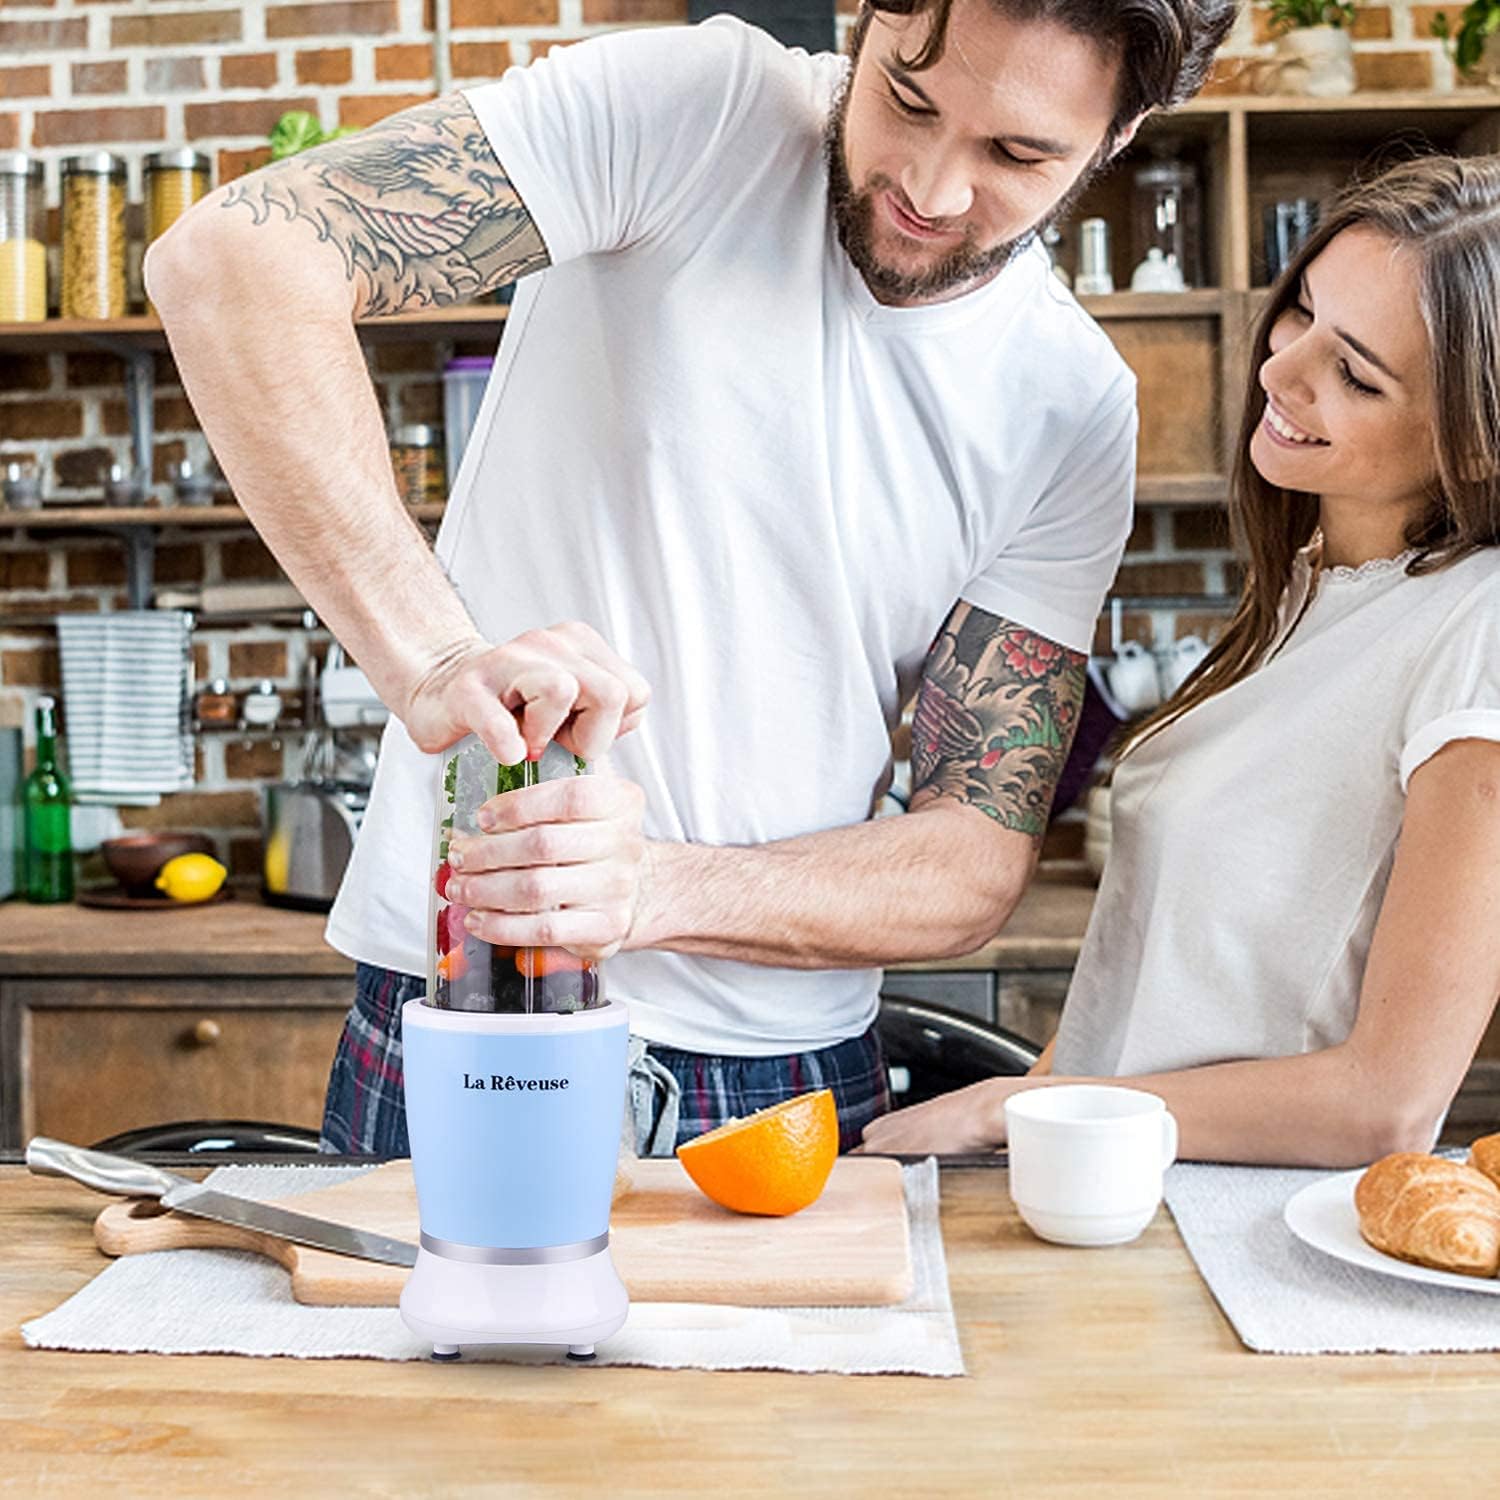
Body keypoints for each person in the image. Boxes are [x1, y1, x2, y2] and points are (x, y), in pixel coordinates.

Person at [144, 0, 1234, 1156]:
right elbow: (232, 262)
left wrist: (649, 890)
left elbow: (972, 860)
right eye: (906, 99)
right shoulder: (698, 112)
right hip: (472, 1018)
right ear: (866, 19)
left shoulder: (1070, 404)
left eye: (1018, 154)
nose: (932, 185)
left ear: (1121, 134)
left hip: (791, 1083)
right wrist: (436, 656)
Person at [859, 154, 1500, 1167]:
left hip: (1242, 1238)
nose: (1283, 369)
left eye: (1356, 374)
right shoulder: (1309, 596)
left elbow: (1386, 1106)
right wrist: (1043, 1099)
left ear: (1473, 441)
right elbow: (1161, 985)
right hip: (1124, 1197)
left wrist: (1009, 1113)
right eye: (1303, 311)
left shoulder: (1478, 631)